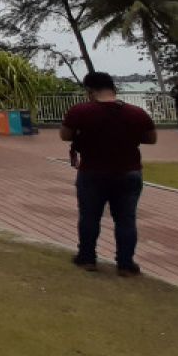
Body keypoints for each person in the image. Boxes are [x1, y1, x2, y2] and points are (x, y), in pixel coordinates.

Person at [60, 71, 156, 277]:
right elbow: (151, 138)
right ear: (114, 88)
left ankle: (87, 258)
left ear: (90, 91)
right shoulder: (136, 113)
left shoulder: (81, 111)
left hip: (93, 171)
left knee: (89, 217)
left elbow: (65, 135)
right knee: (126, 219)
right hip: (129, 171)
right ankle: (125, 263)